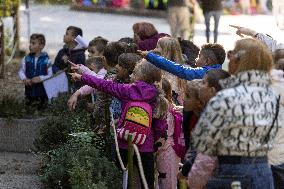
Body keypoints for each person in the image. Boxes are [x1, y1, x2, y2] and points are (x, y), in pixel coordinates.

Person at [192, 38, 280, 189]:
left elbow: (202, 143)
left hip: (232, 173)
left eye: (231, 53)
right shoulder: (271, 96)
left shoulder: (226, 97)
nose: (229, 56)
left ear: (240, 60)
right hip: (263, 173)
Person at [70, 60, 168, 189]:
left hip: (124, 141)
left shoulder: (127, 90)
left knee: (118, 176)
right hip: (146, 145)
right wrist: (152, 140)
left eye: (135, 72)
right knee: (147, 181)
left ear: (141, 76)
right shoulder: (157, 95)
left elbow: (103, 85)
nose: (133, 74)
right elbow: (159, 125)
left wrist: (83, 77)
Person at [177, 69, 230, 189]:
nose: (201, 85)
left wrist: (186, 172)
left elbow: (204, 156)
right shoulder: (190, 114)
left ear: (212, 91)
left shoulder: (214, 117)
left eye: (204, 82)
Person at [140, 43, 225, 81]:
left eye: (199, 56)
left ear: (207, 61)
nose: (196, 58)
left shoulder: (205, 73)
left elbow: (182, 71)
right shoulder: (220, 72)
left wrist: (150, 56)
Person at [156, 78, 183, 189]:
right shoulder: (166, 107)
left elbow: (165, 133)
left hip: (167, 151)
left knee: (168, 184)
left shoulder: (167, 109)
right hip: (163, 151)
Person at [18, 33, 52, 110]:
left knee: (42, 111)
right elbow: (21, 71)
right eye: (30, 42)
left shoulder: (47, 60)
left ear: (41, 46)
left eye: (33, 43)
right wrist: (24, 79)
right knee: (29, 110)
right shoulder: (26, 59)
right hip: (29, 92)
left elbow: (51, 75)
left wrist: (40, 78)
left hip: (43, 93)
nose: (30, 45)